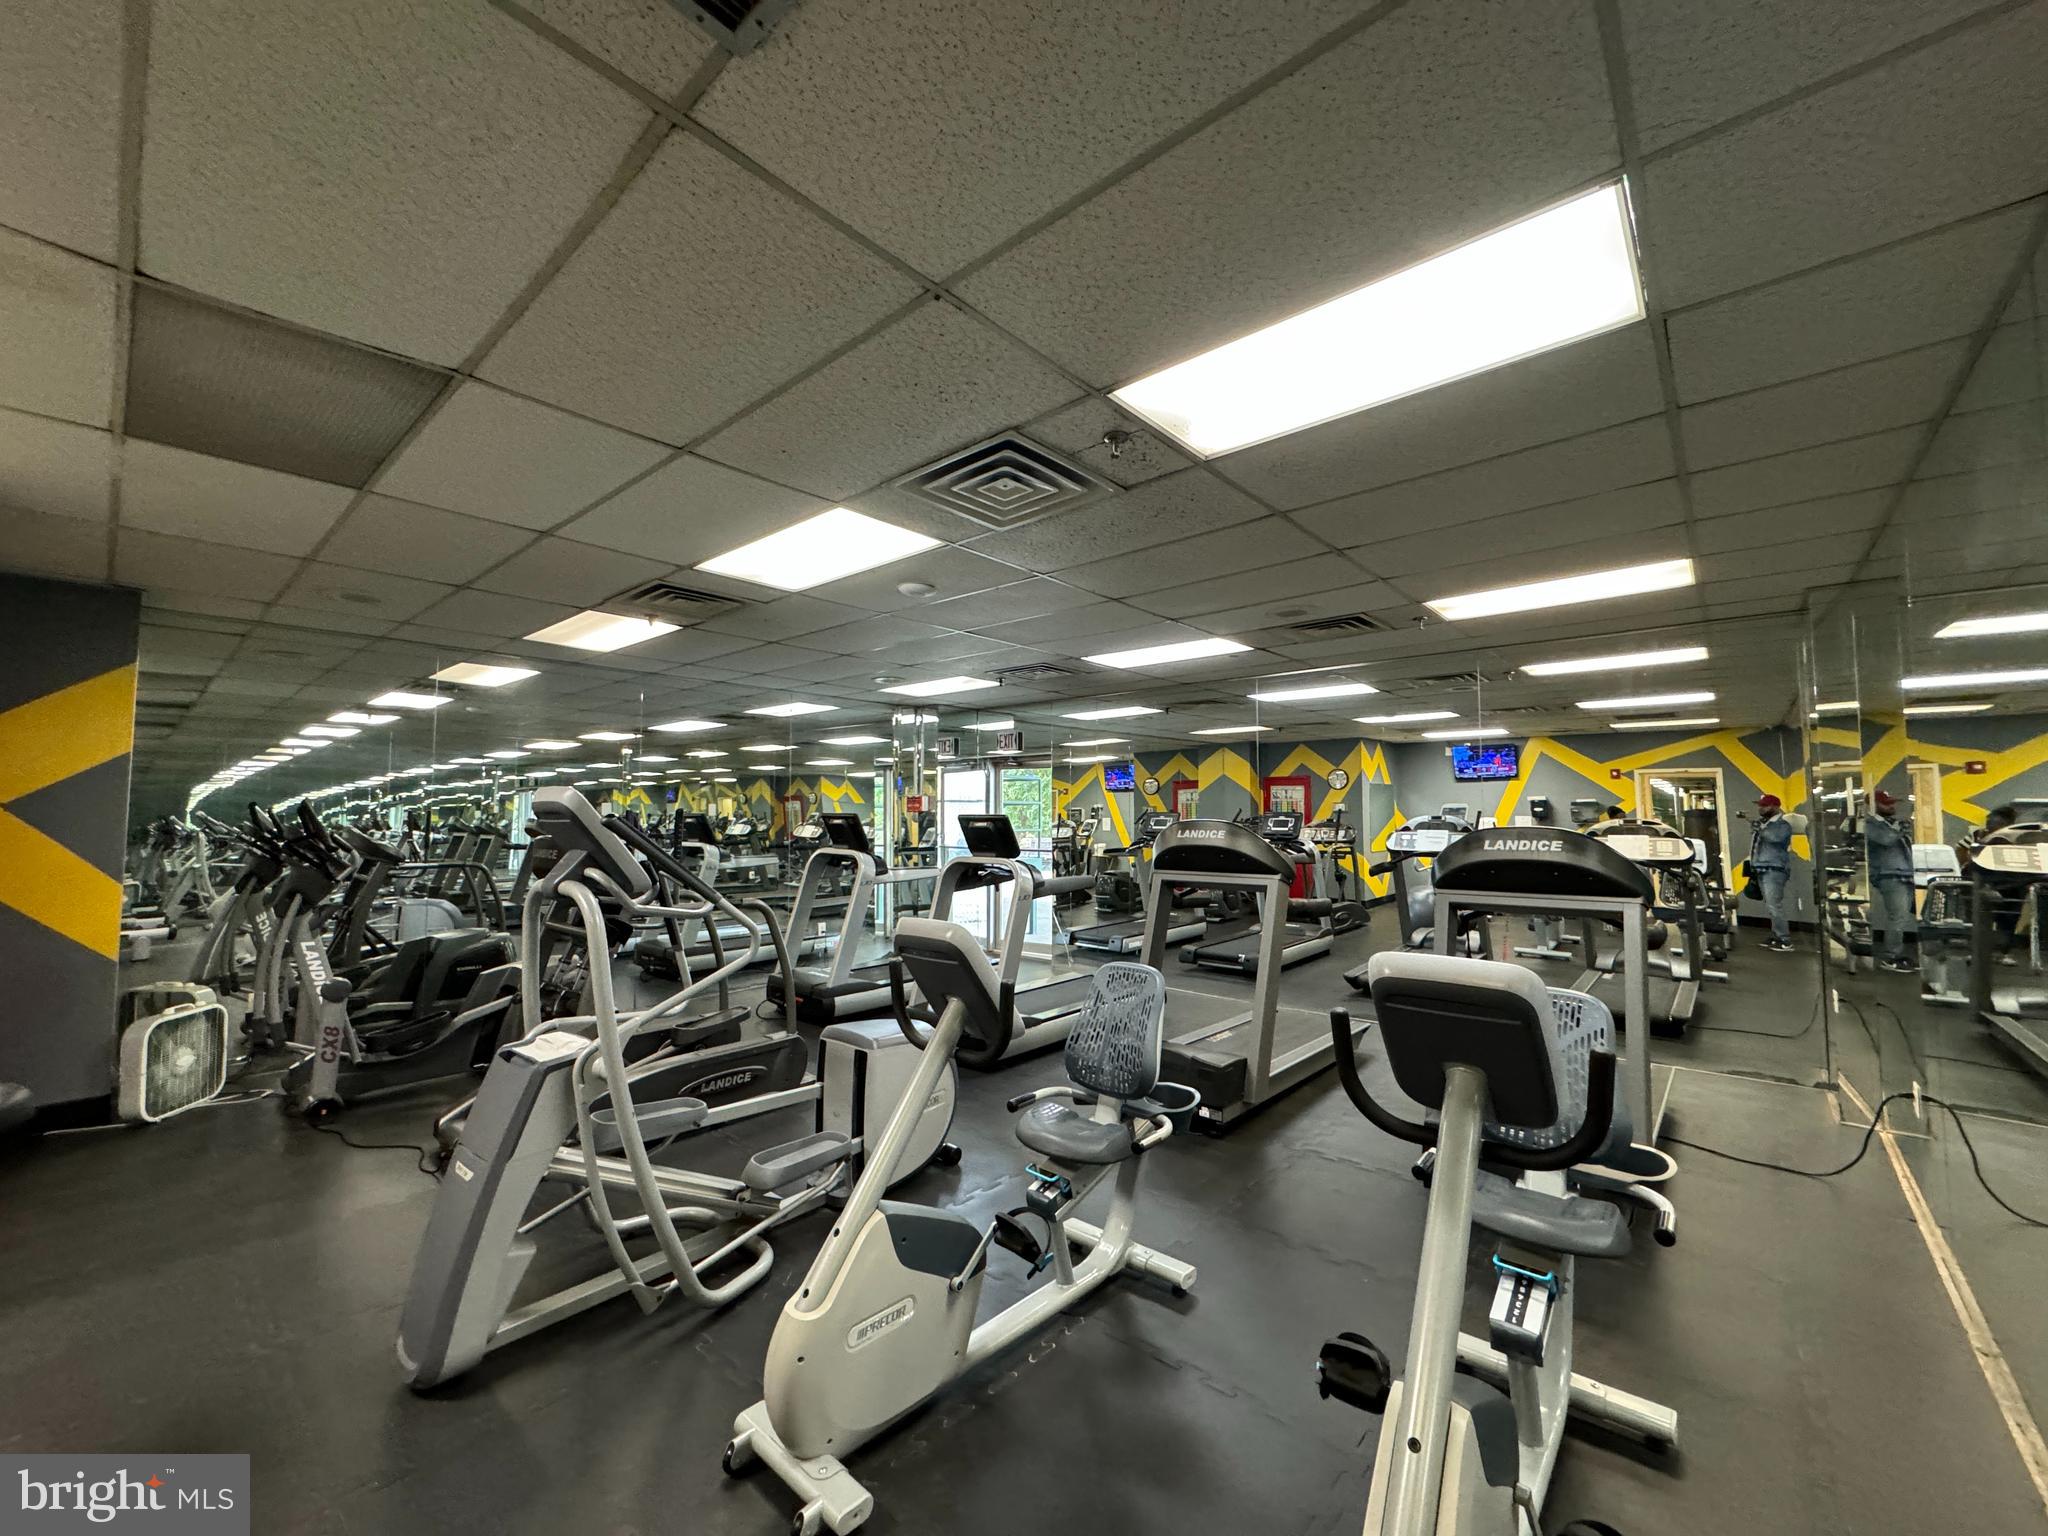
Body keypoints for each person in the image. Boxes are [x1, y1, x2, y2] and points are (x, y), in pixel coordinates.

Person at [1865, 790, 1917, 973]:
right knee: (1897, 917)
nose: (1892, 806)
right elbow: (1885, 840)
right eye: (1887, 803)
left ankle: (1895, 953)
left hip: (1905, 874)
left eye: (1892, 803)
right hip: (1889, 875)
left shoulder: (1890, 824)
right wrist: (1899, 829)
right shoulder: (1869, 825)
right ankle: (1890, 957)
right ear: (1874, 806)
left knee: (1902, 917)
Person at [1748, 793, 1796, 951]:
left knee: (1775, 905)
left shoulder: (1782, 825)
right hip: (1762, 868)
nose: (1760, 809)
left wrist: (1759, 829)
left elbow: (1775, 839)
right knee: (1770, 905)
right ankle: (1776, 935)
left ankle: (1785, 940)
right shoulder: (1765, 824)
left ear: (1775, 807)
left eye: (1764, 806)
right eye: (1760, 806)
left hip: (1774, 870)